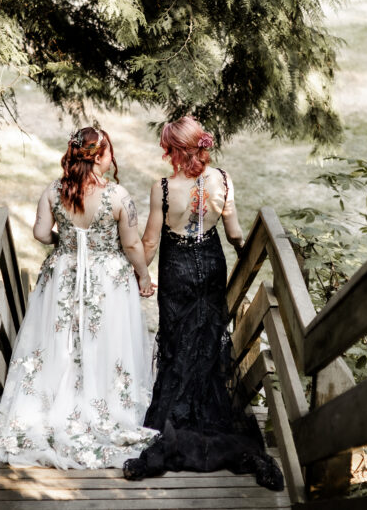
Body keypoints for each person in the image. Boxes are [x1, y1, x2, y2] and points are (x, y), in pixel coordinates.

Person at [123, 117, 284, 490]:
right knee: (208, 340)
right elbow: (235, 233)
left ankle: (177, 418)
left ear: (174, 150)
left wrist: (136, 275)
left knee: (178, 341)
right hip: (212, 266)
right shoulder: (223, 180)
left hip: (177, 271)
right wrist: (247, 256)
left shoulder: (162, 188)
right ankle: (203, 410)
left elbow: (149, 243)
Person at [0, 127, 158, 468]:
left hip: (63, 275)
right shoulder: (119, 197)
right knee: (105, 339)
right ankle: (105, 403)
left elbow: (38, 232)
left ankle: (52, 402)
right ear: (97, 156)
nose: (113, 158)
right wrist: (143, 274)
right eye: (109, 152)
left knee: (60, 339)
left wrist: (63, 244)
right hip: (107, 281)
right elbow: (132, 245)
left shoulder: (53, 191)